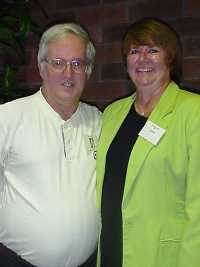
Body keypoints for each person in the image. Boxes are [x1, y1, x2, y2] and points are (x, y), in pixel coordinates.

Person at [96, 17, 200, 267]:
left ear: (170, 58)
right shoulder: (112, 113)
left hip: (162, 256)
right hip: (112, 248)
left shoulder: (193, 111)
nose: (143, 59)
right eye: (135, 51)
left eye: (153, 50)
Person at [0, 22, 102, 267]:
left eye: (77, 64)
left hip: (87, 262)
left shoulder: (98, 121)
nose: (68, 73)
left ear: (87, 70)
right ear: (42, 67)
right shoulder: (8, 117)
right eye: (58, 63)